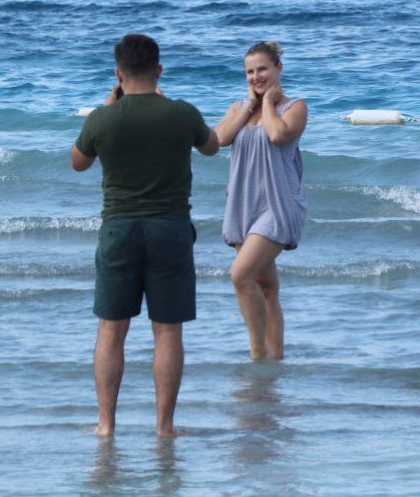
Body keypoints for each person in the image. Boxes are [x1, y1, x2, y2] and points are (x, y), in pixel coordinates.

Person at [71, 33, 219, 436]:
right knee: (167, 330)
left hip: (119, 228)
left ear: (118, 74)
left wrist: (108, 108)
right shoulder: (181, 113)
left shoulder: (102, 118)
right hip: (170, 228)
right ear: (159, 70)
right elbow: (211, 147)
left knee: (111, 329)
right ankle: (165, 427)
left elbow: (78, 162)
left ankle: (105, 425)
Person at [214, 42, 308, 361]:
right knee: (266, 287)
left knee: (240, 275)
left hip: (278, 204)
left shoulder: (294, 107)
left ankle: (257, 353)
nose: (256, 76)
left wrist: (267, 102)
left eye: (262, 69)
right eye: (250, 72)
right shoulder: (238, 108)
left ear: (278, 68)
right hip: (243, 203)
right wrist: (248, 106)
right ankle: (274, 360)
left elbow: (277, 135)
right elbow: (219, 139)